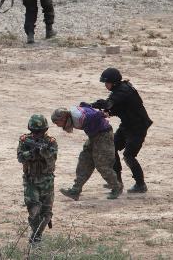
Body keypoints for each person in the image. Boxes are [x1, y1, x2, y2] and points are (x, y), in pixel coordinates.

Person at [92, 68, 153, 193]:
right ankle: (117, 181)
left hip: (138, 127)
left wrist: (94, 105)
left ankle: (140, 185)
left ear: (113, 82)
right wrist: (108, 112)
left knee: (129, 156)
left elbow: (110, 104)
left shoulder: (124, 91)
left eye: (106, 82)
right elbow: (118, 108)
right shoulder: (118, 90)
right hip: (127, 125)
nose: (105, 85)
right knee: (112, 148)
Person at [51, 105, 122, 201]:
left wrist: (102, 113)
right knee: (84, 161)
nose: (57, 125)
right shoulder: (74, 115)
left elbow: (94, 115)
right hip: (94, 136)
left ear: (63, 118)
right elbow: (84, 105)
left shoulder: (80, 117)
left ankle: (116, 187)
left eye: (57, 122)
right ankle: (76, 190)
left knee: (102, 164)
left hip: (104, 135)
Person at [17, 114, 57, 244]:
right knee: (34, 212)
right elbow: (20, 158)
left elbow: (51, 160)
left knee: (46, 214)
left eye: (39, 132)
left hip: (47, 181)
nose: (36, 134)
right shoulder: (24, 140)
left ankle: (37, 235)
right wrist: (31, 152)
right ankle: (36, 238)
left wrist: (42, 151)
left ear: (45, 130)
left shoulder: (51, 142)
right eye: (34, 131)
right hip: (31, 181)